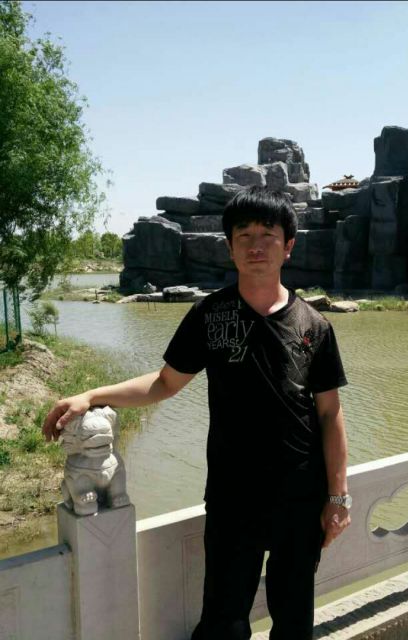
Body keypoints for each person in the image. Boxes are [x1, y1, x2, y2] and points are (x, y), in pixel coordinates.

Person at [42, 186, 351, 640]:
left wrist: (337, 497)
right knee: (224, 621)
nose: (256, 245)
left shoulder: (314, 326)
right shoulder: (211, 314)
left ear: (288, 246)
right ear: (229, 247)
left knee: (293, 620)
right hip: (233, 495)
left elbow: (329, 415)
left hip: (301, 497)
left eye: (267, 234)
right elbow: (164, 382)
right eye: (244, 235)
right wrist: (92, 395)